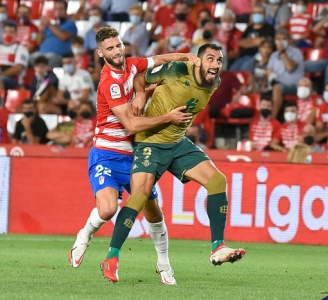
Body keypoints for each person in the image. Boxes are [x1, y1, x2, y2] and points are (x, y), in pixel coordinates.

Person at [100, 43, 245, 283]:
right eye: (210, 59)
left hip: (177, 143)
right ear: (197, 61)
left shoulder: (214, 82)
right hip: (149, 142)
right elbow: (141, 77)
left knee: (218, 180)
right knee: (139, 197)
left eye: (219, 61)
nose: (216, 65)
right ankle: (112, 257)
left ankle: (218, 247)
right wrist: (140, 94)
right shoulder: (178, 70)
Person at [69, 27, 198, 286]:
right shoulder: (109, 83)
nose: (117, 51)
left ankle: (164, 265)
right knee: (107, 209)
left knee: (154, 214)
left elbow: (159, 60)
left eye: (118, 46)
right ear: (100, 53)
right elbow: (131, 126)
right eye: (110, 49)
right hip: (107, 154)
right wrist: (168, 117)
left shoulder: (131, 65)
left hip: (135, 157)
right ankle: (84, 235)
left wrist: (187, 56)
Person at [265, 29, 305, 118]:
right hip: (277, 84)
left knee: (277, 87)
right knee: (263, 89)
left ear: (289, 40)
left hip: (293, 86)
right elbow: (268, 72)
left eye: (283, 39)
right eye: (278, 39)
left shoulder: (296, 52)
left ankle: (272, 119)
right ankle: (260, 120)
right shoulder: (273, 55)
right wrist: (265, 83)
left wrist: (282, 52)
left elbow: (290, 67)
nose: (280, 42)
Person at [0, 21, 30, 90]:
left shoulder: (20, 49)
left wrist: (0, 75)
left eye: (11, 32)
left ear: (16, 34)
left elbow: (18, 67)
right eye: (6, 32)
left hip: (12, 79)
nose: (8, 34)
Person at [230, 4, 275, 72]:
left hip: (257, 57)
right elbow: (241, 42)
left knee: (244, 70)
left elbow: (262, 42)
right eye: (255, 13)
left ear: (265, 15)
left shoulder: (269, 28)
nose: (257, 15)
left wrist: (248, 41)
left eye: (260, 13)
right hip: (243, 56)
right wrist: (254, 42)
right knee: (232, 70)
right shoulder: (249, 28)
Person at [34, 0, 77, 68]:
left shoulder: (70, 23)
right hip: (41, 54)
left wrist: (49, 24)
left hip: (58, 56)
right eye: (56, 9)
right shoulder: (50, 26)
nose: (58, 11)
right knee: (30, 58)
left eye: (61, 9)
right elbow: (39, 43)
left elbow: (63, 37)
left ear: (65, 10)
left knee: (45, 60)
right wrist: (40, 30)